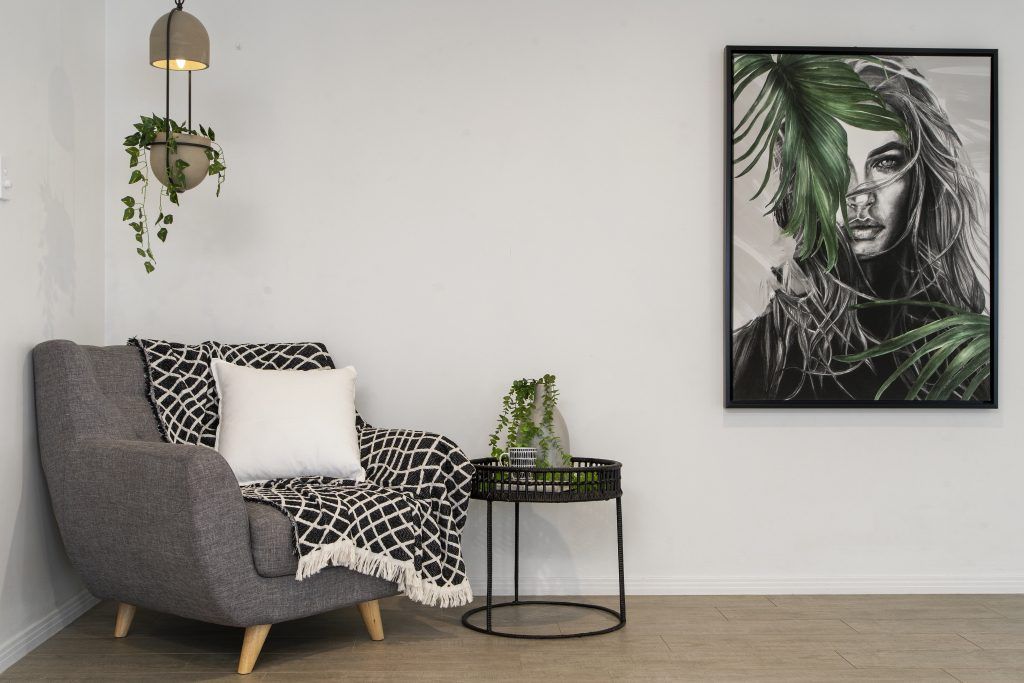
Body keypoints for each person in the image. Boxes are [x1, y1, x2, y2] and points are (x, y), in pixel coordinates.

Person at [732, 57, 989, 401]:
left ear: (919, 176)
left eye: (885, 163)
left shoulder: (971, 355)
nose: (860, 196)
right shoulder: (753, 358)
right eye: (834, 167)